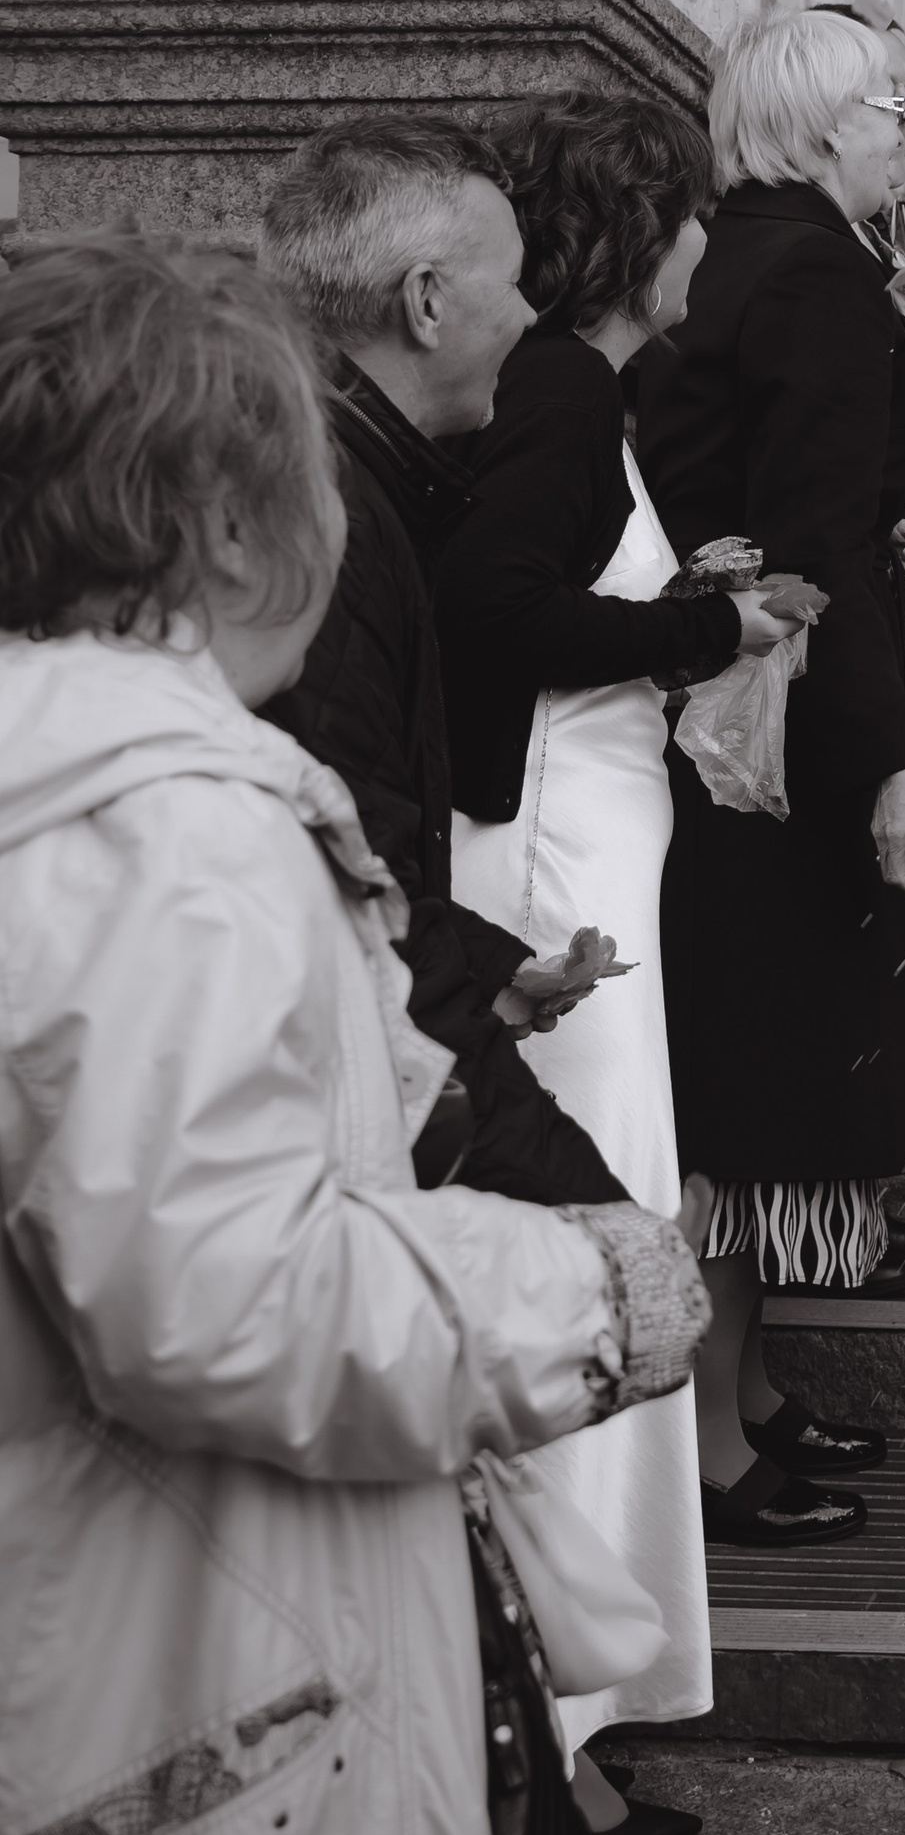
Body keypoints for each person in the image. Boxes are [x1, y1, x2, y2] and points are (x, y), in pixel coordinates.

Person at [0, 240, 706, 1835]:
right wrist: (584, 1287)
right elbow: (215, 1292)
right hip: (194, 1736)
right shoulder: (171, 833)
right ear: (232, 535)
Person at [435, 95, 819, 1808]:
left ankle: (590, 1689)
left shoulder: (589, 395)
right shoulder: (566, 398)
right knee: (588, 1246)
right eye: (692, 224)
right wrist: (708, 624)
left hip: (598, 850)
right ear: (634, 231)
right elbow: (501, 607)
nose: (704, 256)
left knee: (617, 1225)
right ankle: (557, 1723)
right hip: (559, 880)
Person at [638, 9, 905, 1541]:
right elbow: (820, 539)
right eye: (892, 106)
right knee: (753, 1089)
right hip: (770, 729)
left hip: (732, 698)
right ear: (825, 129)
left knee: (751, 1080)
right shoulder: (820, 273)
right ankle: (712, 1438)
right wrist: (892, 762)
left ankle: (750, 1394)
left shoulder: (745, 252)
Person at [255, 113, 633, 1212]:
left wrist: (480, 956)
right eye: (512, 282)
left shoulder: (347, 479)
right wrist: (596, 1226)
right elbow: (350, 897)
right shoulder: (325, 518)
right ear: (426, 302)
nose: (529, 315)